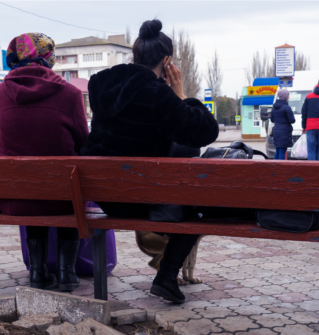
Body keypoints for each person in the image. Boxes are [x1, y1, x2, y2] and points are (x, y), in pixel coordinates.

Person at [83, 19, 218, 304]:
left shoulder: (100, 84)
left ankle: (163, 273)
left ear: (135, 55)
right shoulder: (157, 94)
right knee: (198, 212)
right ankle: (166, 277)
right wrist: (181, 95)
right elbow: (206, 132)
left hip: (103, 194)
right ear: (167, 60)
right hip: (136, 197)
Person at [0, 32, 88, 292]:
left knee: (28, 182)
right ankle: (67, 273)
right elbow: (83, 141)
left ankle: (38, 272)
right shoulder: (70, 94)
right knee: (69, 184)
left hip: (15, 198)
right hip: (64, 198)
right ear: (49, 58)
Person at [271, 89, 296, 160]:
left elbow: (272, 120)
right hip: (284, 132)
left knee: (278, 151)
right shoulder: (287, 108)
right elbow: (292, 120)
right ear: (285, 96)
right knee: (282, 151)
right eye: (288, 95)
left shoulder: (274, 107)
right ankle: (280, 166)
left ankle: (274, 166)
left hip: (276, 131)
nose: (288, 96)